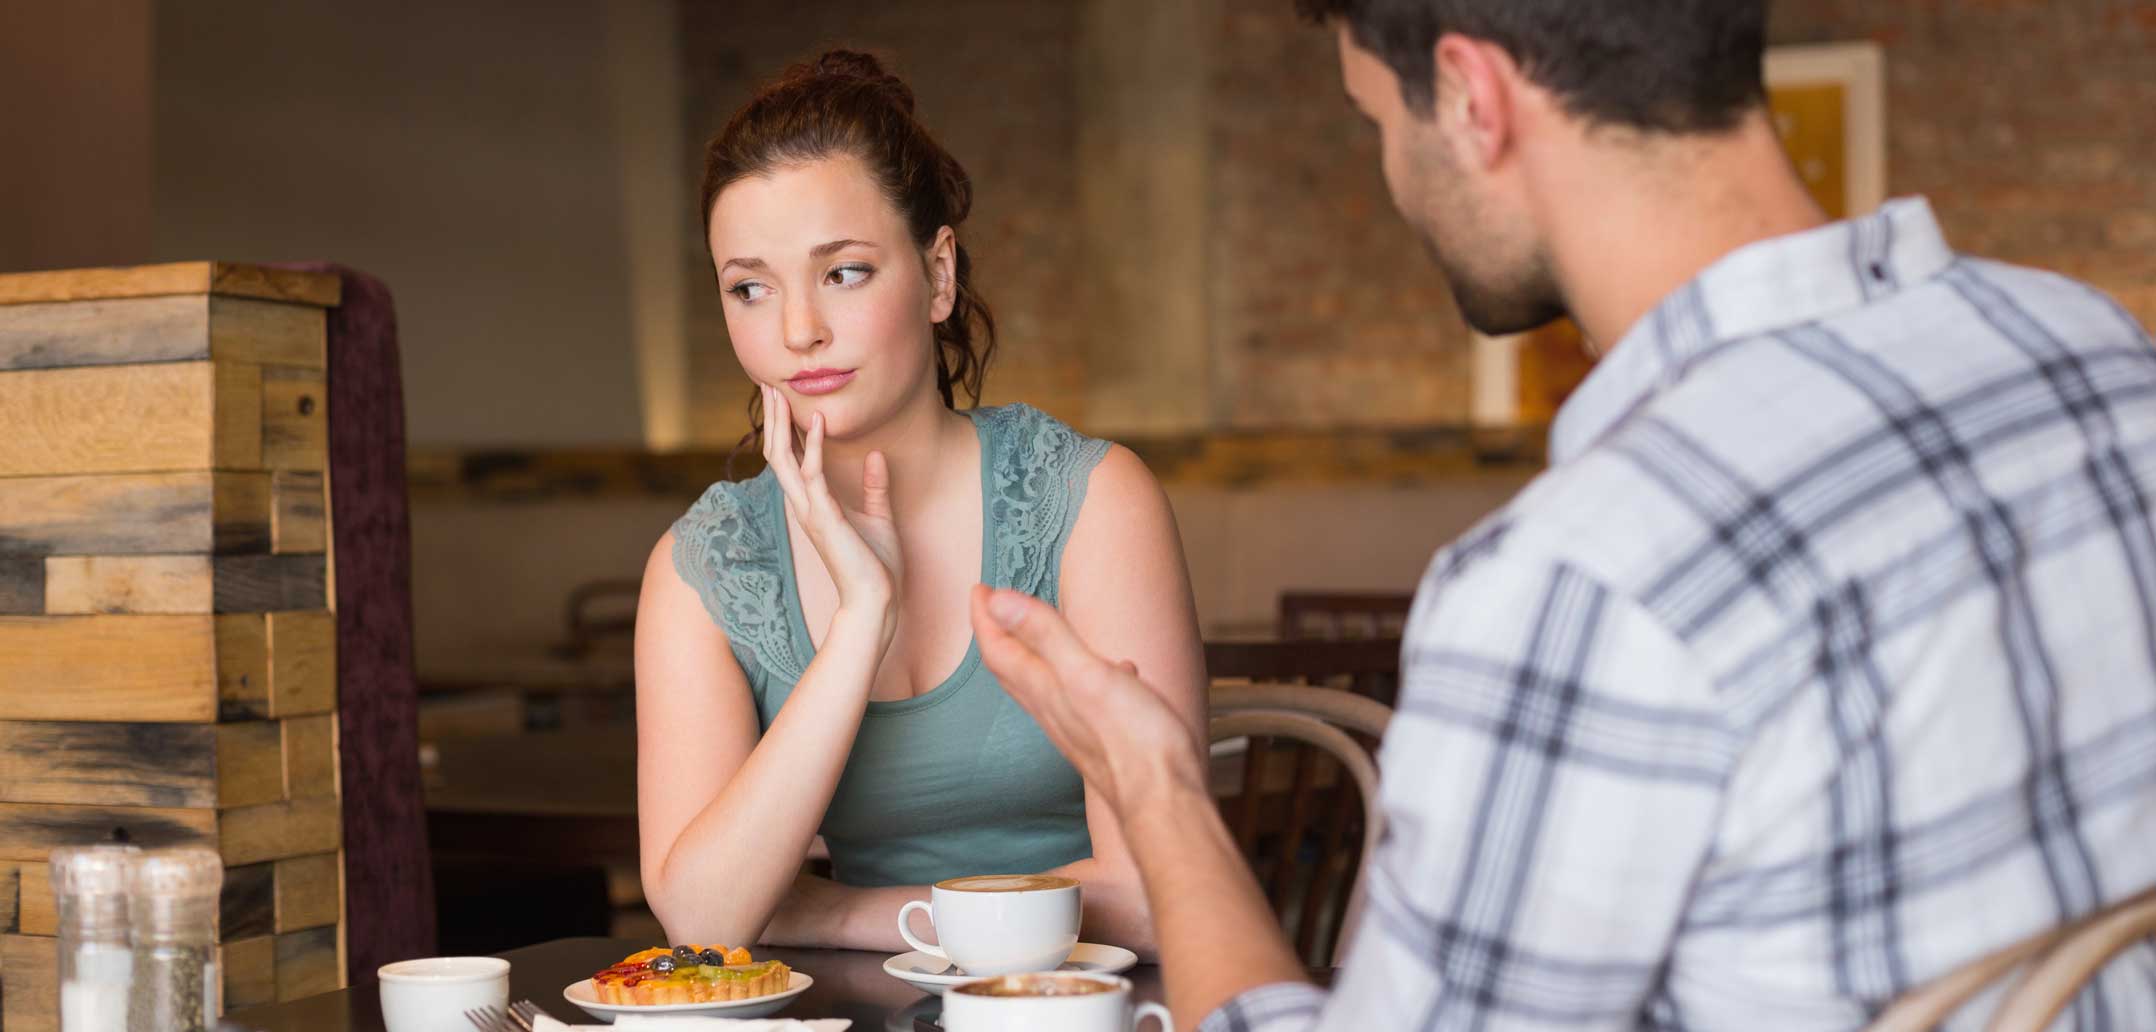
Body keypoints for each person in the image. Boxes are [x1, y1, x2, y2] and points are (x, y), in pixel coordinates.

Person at [970, 0, 2156, 1028]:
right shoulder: (2090, 352)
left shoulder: (1578, 579)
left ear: (1475, 100)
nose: (1391, 174)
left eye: (1380, 123)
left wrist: (1154, 785)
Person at [635, 50, 1207, 955]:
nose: (798, 331)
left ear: (938, 276)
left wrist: (832, 916)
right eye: (751, 287)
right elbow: (703, 919)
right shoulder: (700, 566)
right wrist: (864, 616)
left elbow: (1158, 891)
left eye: (844, 272)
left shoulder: (1093, 501)